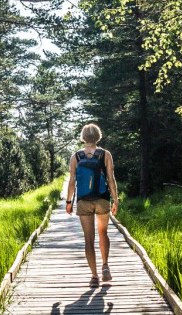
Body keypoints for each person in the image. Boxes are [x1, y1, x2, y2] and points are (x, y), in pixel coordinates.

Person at [65, 122, 119, 287]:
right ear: (98, 136)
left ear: (83, 137)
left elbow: (72, 181)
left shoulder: (76, 156)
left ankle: (94, 276)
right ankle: (105, 265)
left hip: (83, 201)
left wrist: (68, 201)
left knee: (89, 239)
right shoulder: (105, 154)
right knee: (103, 233)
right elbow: (110, 179)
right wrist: (115, 199)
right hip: (102, 199)